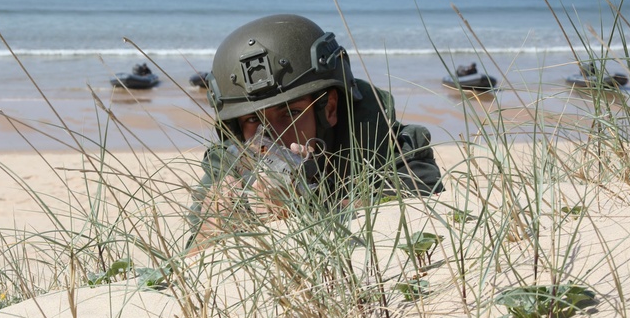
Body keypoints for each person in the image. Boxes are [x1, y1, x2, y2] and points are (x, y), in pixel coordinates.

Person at [190, 13, 443, 239]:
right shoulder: (229, 167)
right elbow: (188, 266)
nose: (272, 138)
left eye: (291, 113)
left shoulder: (388, 147)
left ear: (329, 108)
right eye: (253, 120)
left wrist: (307, 209)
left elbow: (421, 208)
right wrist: (210, 231)